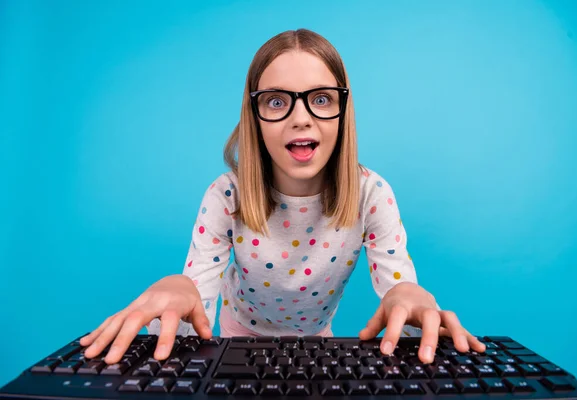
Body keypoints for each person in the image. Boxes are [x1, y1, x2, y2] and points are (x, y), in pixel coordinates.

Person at [80, 28, 486, 366]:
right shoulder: (226, 196)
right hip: (235, 347)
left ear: (344, 112)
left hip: (319, 348)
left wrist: (411, 295)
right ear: (254, 117)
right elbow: (194, 296)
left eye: (321, 99)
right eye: (277, 101)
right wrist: (181, 289)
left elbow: (397, 288)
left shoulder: (371, 195)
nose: (301, 117)